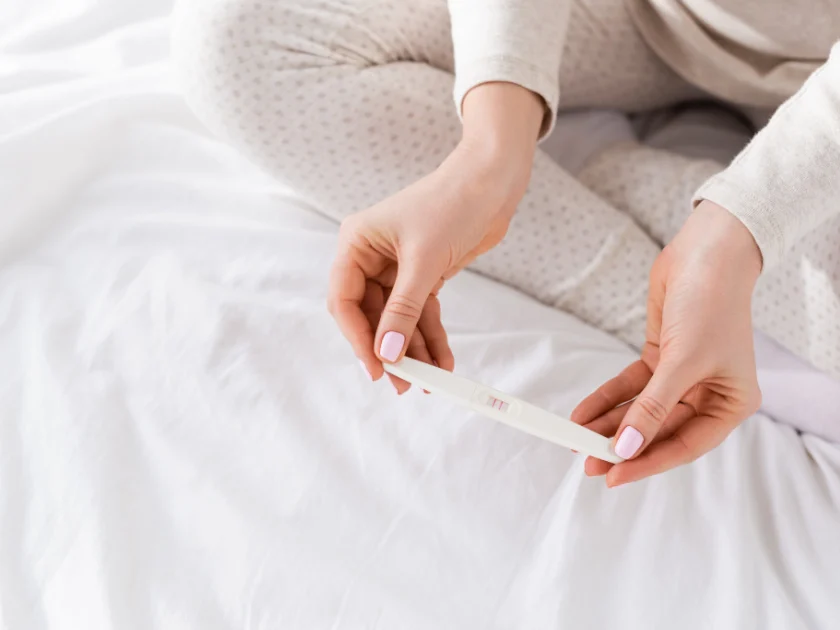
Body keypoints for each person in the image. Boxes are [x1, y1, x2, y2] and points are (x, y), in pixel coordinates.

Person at [171, 0, 840, 486]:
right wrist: (492, 150)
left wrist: (738, 226)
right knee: (240, 41)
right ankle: (666, 313)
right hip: (643, 18)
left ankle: (658, 206)